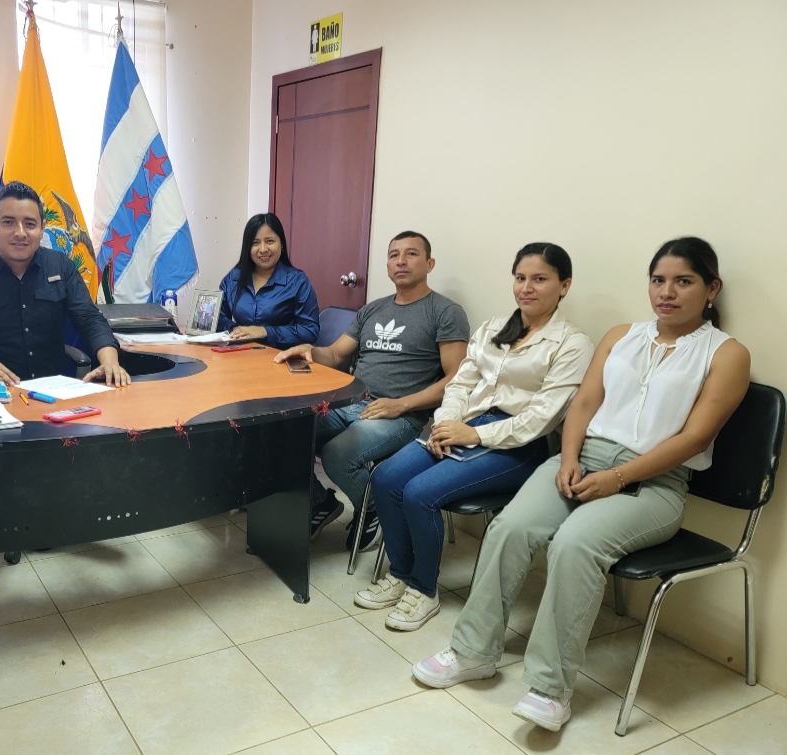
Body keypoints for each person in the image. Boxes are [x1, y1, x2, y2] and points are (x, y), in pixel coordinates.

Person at [415, 237, 750, 732]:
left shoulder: (727, 353)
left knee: (574, 544)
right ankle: (473, 652)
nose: (667, 292)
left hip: (655, 484)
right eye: (658, 280)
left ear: (711, 289)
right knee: (510, 527)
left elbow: (695, 437)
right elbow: (585, 405)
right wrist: (569, 458)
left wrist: (618, 477)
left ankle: (550, 688)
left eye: (684, 282)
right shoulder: (622, 335)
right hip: (582, 459)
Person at [355, 243, 593, 632]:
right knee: (385, 477)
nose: (526, 288)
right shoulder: (494, 328)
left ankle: (423, 589)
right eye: (520, 278)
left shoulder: (572, 344)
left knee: (419, 492)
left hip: (518, 446)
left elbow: (540, 419)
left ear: (564, 285)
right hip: (463, 424)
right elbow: (460, 383)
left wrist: (473, 433)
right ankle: (400, 573)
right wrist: (447, 423)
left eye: (539, 279)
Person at [275, 231, 469, 550]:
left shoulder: (445, 311)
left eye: (411, 254)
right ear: (387, 265)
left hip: (400, 416)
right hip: (352, 403)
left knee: (337, 455)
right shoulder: (372, 310)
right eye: (394, 255)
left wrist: (401, 405)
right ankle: (321, 502)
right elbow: (334, 354)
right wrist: (309, 351)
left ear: (429, 263)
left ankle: (375, 509)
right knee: (284, 431)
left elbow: (456, 379)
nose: (401, 261)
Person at [0, 181, 130, 387]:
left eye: (30, 224)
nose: (20, 233)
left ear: (42, 228)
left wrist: (110, 362)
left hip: (52, 393)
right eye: (8, 222)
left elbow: (90, 320)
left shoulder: (60, 266)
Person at [217, 214, 319, 350]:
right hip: (241, 354)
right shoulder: (234, 278)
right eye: (255, 243)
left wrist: (266, 332)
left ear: (281, 245)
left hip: (280, 356)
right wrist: (236, 329)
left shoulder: (297, 281)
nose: (263, 249)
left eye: (270, 241)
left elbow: (310, 331)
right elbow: (217, 317)